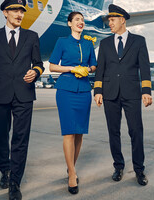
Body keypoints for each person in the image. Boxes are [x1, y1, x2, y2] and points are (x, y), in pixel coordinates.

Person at [0, 0, 44, 200]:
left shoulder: (32, 36)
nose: (19, 14)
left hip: (24, 94)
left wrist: (36, 71)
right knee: (1, 137)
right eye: (15, 10)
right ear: (5, 13)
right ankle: (5, 170)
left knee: (20, 139)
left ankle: (15, 182)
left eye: (22, 11)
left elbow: (39, 63)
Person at [94, 4, 152, 186]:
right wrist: (98, 91)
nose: (109, 23)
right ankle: (118, 166)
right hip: (110, 93)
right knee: (113, 132)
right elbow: (100, 69)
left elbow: (145, 68)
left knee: (135, 131)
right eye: (109, 20)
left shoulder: (139, 41)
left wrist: (146, 91)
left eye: (112, 20)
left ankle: (139, 169)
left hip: (132, 92)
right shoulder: (104, 43)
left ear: (122, 20)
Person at [49, 12, 97, 194]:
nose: (81, 22)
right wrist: (71, 68)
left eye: (82, 20)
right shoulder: (62, 41)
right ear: (69, 23)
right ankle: (72, 174)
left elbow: (95, 65)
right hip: (66, 90)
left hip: (84, 90)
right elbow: (52, 66)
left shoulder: (88, 43)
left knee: (79, 134)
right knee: (69, 132)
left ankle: (71, 167)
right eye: (77, 20)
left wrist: (87, 69)